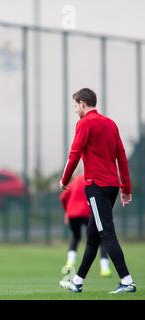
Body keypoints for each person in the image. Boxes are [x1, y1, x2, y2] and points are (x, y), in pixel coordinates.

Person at [59, 88, 136, 294]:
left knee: (106, 233)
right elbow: (121, 157)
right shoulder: (110, 123)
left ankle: (127, 280)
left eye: (75, 106)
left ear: (83, 104)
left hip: (97, 187)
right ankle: (77, 281)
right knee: (93, 234)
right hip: (111, 186)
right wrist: (125, 188)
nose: (75, 110)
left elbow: (74, 154)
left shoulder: (84, 123)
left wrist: (64, 179)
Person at [60, 174, 112, 277]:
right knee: (101, 239)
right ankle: (104, 268)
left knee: (76, 236)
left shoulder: (76, 180)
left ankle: (70, 262)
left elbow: (63, 197)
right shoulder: (94, 179)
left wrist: (67, 212)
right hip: (88, 213)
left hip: (72, 214)